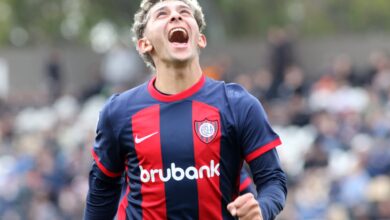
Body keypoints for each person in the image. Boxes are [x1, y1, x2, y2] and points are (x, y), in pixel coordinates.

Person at [84, 0, 287, 219]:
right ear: (144, 44)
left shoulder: (238, 104)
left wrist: (261, 210)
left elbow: (273, 180)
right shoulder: (119, 112)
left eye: (184, 12)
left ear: (200, 39)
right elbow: (101, 192)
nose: (175, 16)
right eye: (162, 14)